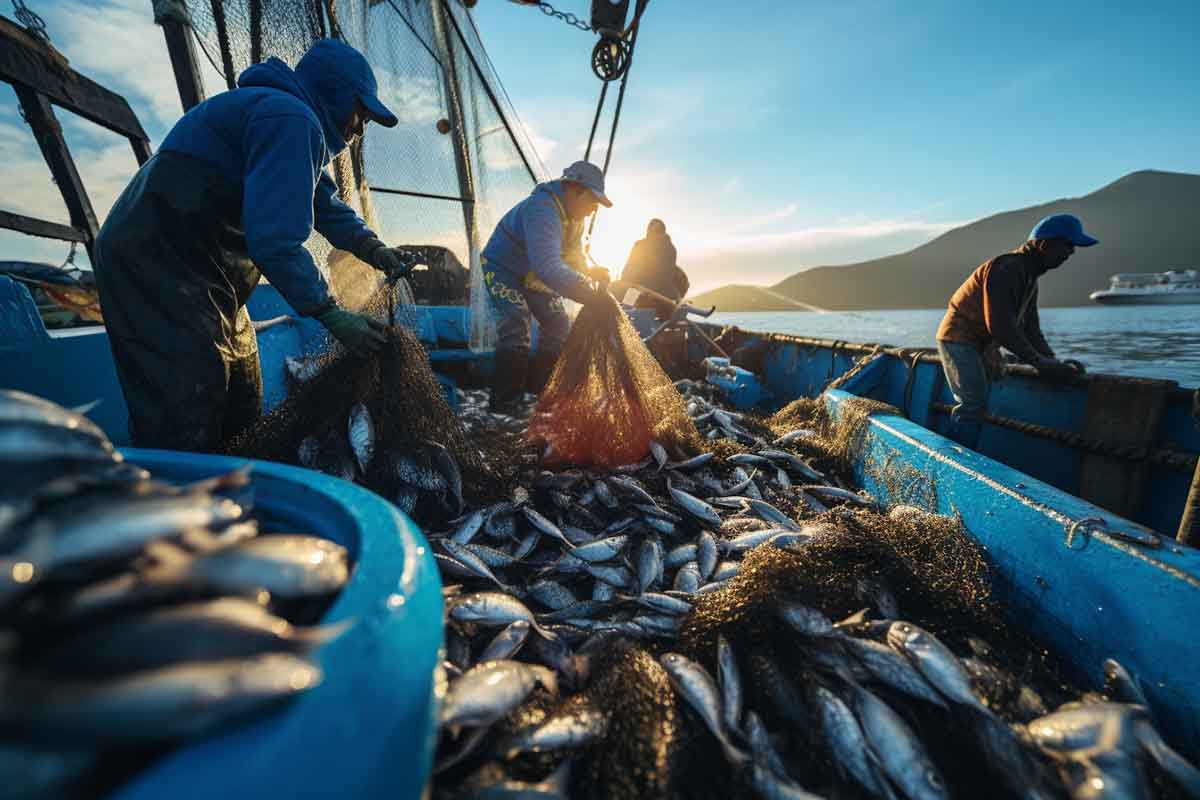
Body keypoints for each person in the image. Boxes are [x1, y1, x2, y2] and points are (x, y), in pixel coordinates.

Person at [93, 39, 414, 452]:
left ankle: (229, 484)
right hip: (157, 265)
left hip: (207, 277)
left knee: (242, 399)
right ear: (336, 95)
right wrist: (330, 313)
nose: (360, 129)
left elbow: (324, 205)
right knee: (188, 411)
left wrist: (373, 249)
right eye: (361, 114)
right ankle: (177, 487)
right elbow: (275, 241)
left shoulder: (287, 120)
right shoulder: (289, 118)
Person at [935, 213, 1097, 448]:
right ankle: (954, 457)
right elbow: (1000, 326)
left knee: (982, 398)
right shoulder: (1007, 268)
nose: (1071, 252)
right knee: (972, 405)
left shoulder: (1029, 277)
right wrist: (1039, 362)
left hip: (983, 345)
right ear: (1044, 245)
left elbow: (1031, 329)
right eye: (1068, 245)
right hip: (959, 339)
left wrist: (1052, 361)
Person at [480, 160, 613, 414]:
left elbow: (574, 257)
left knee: (558, 323)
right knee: (516, 324)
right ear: (575, 190)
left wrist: (590, 271)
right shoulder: (541, 209)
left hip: (533, 275)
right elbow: (548, 266)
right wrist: (588, 295)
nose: (593, 209)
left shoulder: (575, 218)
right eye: (593, 201)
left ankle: (540, 393)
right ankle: (504, 404)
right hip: (503, 269)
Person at [615, 218, 690, 318]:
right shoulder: (671, 248)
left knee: (627, 294)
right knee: (630, 292)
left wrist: (625, 283)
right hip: (663, 294)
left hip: (643, 291)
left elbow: (628, 272)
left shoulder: (640, 246)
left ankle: (625, 313)